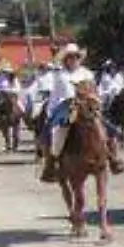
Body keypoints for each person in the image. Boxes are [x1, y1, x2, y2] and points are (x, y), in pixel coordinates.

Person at [41, 44, 100, 180]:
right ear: (66, 59)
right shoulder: (60, 75)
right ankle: (53, 161)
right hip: (66, 106)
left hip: (87, 105)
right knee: (58, 131)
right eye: (70, 57)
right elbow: (55, 96)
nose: (73, 60)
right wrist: (52, 113)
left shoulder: (87, 73)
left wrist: (96, 102)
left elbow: (95, 91)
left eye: (76, 57)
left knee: (104, 127)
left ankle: (111, 157)